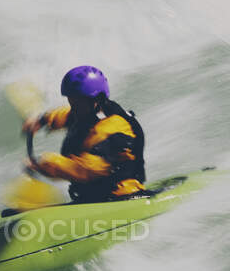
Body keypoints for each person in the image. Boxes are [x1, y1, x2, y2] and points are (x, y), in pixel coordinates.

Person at [23, 66, 151, 203]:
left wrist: (43, 164)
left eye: (77, 102)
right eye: (71, 101)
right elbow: (68, 115)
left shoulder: (111, 128)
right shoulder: (90, 112)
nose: (73, 107)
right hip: (95, 195)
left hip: (120, 196)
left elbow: (87, 170)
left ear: (96, 100)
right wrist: (42, 120)